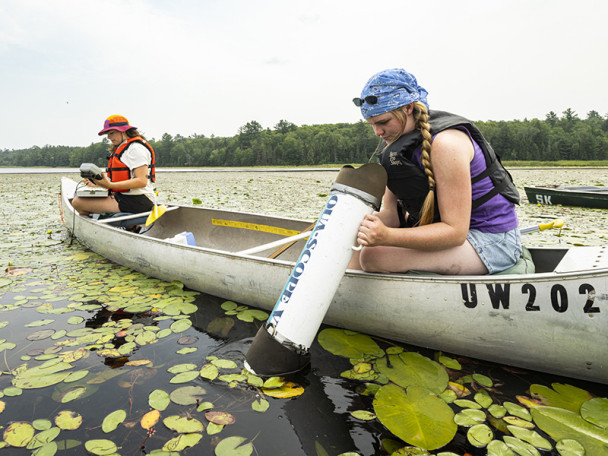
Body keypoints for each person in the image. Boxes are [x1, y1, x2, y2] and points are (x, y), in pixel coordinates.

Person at [350, 68, 521, 275]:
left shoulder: (447, 145)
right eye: (372, 125)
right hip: (453, 237)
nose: (378, 132)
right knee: (352, 247)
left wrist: (386, 236)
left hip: (492, 240)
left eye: (383, 122)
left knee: (373, 255)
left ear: (408, 108)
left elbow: (455, 231)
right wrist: (350, 225)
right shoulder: (394, 148)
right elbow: (391, 214)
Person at [72, 115, 156, 216]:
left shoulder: (135, 149)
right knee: (83, 201)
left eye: (111, 133)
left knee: (77, 202)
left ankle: (119, 225)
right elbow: (123, 180)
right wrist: (98, 184)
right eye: (108, 134)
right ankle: (131, 226)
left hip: (138, 201)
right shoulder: (125, 147)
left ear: (123, 131)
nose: (108, 137)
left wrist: (110, 185)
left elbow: (141, 181)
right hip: (128, 198)